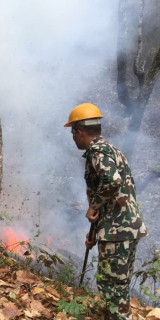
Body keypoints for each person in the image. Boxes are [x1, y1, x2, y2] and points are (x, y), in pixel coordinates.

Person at [64, 102, 147, 320]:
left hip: (117, 232)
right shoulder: (113, 151)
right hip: (126, 229)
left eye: (73, 133)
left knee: (113, 290)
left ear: (79, 132)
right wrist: (94, 232)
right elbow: (114, 196)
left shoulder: (97, 152)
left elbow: (111, 180)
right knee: (118, 287)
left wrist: (93, 206)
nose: (73, 138)